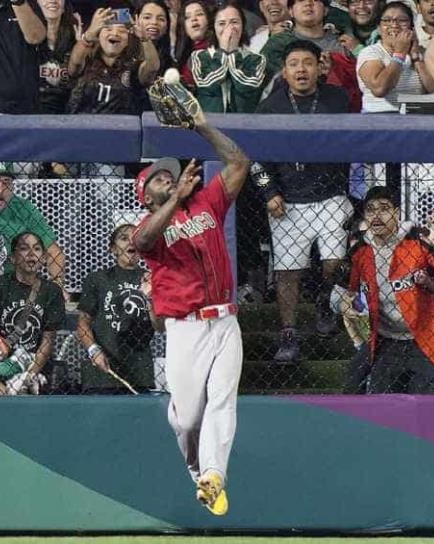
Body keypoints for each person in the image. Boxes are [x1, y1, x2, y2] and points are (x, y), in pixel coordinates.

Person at [132, 101, 250, 516]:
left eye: (171, 172)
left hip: (224, 320)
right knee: (185, 421)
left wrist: (202, 126)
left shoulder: (206, 205)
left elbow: (238, 162)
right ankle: (198, 469)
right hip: (184, 328)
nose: (168, 176)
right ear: (145, 196)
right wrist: (174, 199)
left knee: (222, 401)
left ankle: (214, 474)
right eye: (157, 178)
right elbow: (143, 243)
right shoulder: (148, 225)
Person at [254, 40, 352, 363]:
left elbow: (356, 141)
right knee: (286, 272)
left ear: (319, 67)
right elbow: (256, 157)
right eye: (294, 63)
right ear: (285, 70)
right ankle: (288, 333)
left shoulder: (338, 99)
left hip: (330, 194)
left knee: (334, 262)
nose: (301, 69)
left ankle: (324, 300)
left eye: (307, 63)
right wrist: (269, 192)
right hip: (288, 199)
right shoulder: (270, 106)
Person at [339, 186, 434, 393]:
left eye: (384, 208)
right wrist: (346, 303)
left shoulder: (418, 240)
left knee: (424, 406)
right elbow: (348, 292)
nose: (377, 215)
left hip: (426, 339)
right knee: (383, 405)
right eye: (370, 210)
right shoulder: (360, 250)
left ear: (397, 213)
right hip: (387, 342)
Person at [0, 231, 66, 396]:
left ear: (43, 258)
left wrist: (29, 374)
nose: (31, 254)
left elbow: (47, 341)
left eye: (37, 249)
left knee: (23, 391)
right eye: (24, 248)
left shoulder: (51, 291)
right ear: (13, 258)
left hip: (33, 366)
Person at [0, 162, 66, 304]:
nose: (0, 190)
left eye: (6, 183)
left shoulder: (23, 208)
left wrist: (58, 284)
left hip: (9, 296)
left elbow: (54, 253)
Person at [77, 224, 159, 394]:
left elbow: (160, 325)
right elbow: (83, 323)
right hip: (102, 373)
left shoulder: (152, 279)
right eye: (124, 238)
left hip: (139, 372)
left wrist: (150, 297)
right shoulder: (98, 279)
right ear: (113, 249)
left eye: (135, 237)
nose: (130, 242)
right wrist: (94, 350)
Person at [67, 6, 161, 114]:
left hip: (121, 128)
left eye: (121, 31)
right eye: (108, 29)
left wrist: (144, 39)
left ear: (127, 40)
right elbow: (75, 64)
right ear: (98, 36)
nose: (115, 34)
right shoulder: (86, 59)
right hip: (80, 127)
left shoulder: (133, 67)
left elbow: (153, 67)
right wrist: (89, 34)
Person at [355, 2, 434, 112]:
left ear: (411, 28)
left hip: (416, 119)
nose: (394, 25)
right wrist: (400, 54)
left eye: (402, 20)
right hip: (378, 118)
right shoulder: (370, 52)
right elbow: (379, 89)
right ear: (379, 28)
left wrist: (416, 58)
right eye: (387, 20)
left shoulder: (423, 54)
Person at [191, 1, 267, 113]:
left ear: (243, 25)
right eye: (222, 23)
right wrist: (223, 52)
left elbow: (246, 86)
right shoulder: (199, 56)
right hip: (210, 124)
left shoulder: (256, 59)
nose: (229, 28)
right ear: (214, 28)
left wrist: (232, 53)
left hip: (244, 124)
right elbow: (207, 84)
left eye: (234, 22)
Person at [37, 0, 80, 114]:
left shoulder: (76, 39)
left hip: (65, 114)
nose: (52, 1)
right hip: (30, 112)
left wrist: (82, 46)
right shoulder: (23, 39)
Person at [174, 0, 214, 89]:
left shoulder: (218, 51)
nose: (194, 19)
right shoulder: (181, 55)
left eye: (199, 14)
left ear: (208, 20)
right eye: (187, 17)